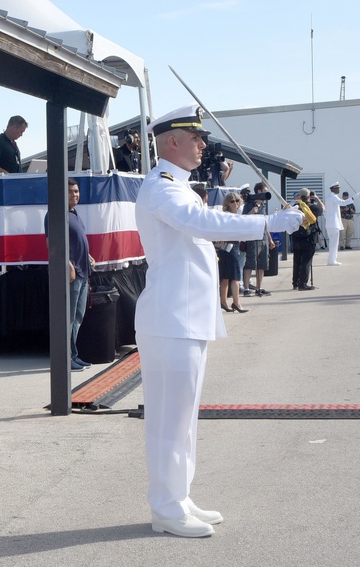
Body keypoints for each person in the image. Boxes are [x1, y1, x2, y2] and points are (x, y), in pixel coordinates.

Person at [134, 104, 303, 538]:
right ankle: (166, 510)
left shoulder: (180, 186)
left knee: (184, 417)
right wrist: (268, 221)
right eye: (196, 138)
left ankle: (180, 496)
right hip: (170, 318)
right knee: (169, 419)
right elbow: (204, 223)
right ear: (172, 141)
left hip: (184, 317)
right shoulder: (160, 188)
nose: (202, 145)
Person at [45, 178, 95, 370]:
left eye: (76, 191)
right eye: (70, 192)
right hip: (71, 275)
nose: (75, 195)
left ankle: (73, 355)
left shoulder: (74, 213)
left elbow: (76, 240)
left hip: (83, 272)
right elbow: (53, 245)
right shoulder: (55, 214)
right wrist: (67, 265)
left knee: (77, 317)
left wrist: (88, 256)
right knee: (68, 318)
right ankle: (64, 359)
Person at [241, 183, 274, 298]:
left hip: (263, 237)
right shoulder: (249, 203)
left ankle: (259, 287)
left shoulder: (263, 206)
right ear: (259, 191)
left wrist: (270, 239)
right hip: (252, 237)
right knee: (250, 263)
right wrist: (253, 211)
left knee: (262, 264)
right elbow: (243, 219)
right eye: (264, 191)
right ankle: (246, 288)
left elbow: (264, 223)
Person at [216, 194, 247, 313]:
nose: (235, 203)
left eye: (237, 201)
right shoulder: (227, 216)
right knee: (234, 277)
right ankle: (235, 302)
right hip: (228, 248)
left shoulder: (236, 215)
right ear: (227, 203)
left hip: (232, 247)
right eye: (232, 201)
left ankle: (225, 302)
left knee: (228, 277)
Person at [290, 189, 321, 291]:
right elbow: (322, 209)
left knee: (297, 261)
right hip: (309, 238)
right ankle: (303, 284)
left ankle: (295, 282)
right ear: (309, 197)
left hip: (296, 237)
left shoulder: (295, 208)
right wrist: (316, 198)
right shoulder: (312, 207)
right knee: (306, 261)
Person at [323, 182, 360, 266]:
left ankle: (331, 260)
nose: (339, 190)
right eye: (337, 188)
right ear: (333, 189)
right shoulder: (333, 197)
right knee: (334, 243)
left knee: (333, 243)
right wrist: (355, 197)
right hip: (333, 223)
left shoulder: (329, 197)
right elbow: (343, 203)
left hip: (331, 223)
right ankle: (332, 261)